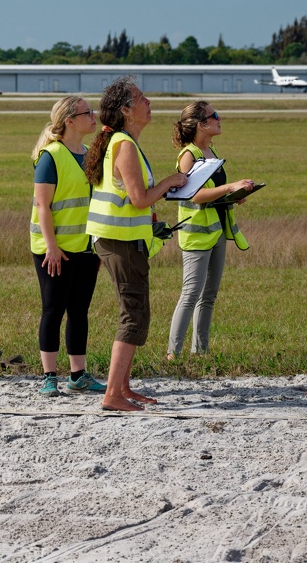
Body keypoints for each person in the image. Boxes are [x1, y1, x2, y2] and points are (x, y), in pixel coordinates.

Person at [84, 76, 187, 411]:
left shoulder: (120, 141)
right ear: (126, 111)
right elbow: (139, 198)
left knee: (136, 312)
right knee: (133, 314)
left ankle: (123, 388)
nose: (149, 103)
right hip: (119, 241)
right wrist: (170, 182)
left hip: (120, 239)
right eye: (141, 99)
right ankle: (113, 394)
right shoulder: (124, 145)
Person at [30, 95, 106, 397]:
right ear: (69, 121)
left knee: (79, 311)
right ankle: (49, 375)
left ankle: (78, 374)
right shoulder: (51, 155)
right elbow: (42, 205)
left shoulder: (89, 154)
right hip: (54, 249)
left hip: (85, 248)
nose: (94, 116)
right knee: (53, 309)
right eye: (87, 112)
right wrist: (51, 246)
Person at [166, 102, 254, 360]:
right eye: (214, 116)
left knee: (209, 295)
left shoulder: (210, 150)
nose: (219, 119)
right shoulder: (189, 155)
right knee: (191, 293)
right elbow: (195, 196)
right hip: (196, 234)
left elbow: (211, 195)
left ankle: (200, 353)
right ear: (201, 124)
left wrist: (233, 196)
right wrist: (229, 187)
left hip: (216, 230)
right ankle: (173, 354)